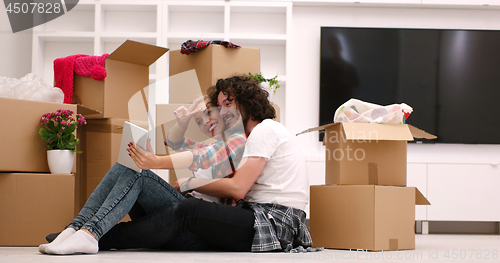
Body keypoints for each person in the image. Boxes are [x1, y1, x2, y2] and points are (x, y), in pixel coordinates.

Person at [80, 75, 313, 253]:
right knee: (138, 175)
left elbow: (238, 189)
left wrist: (189, 182)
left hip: (274, 222)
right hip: (257, 216)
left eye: (229, 103)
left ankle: (98, 236)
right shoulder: (243, 140)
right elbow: (181, 145)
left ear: (248, 102)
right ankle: (81, 229)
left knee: (188, 209)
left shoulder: (265, 129)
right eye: (220, 106)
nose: (222, 111)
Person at [39, 97, 246, 254]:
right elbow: (174, 143)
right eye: (199, 120)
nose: (205, 123)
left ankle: (90, 233)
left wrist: (187, 180)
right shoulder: (212, 144)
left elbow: (201, 156)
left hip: (199, 228)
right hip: (183, 212)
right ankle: (77, 228)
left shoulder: (236, 141)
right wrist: (183, 123)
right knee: (127, 165)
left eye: (210, 113)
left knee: (140, 173)